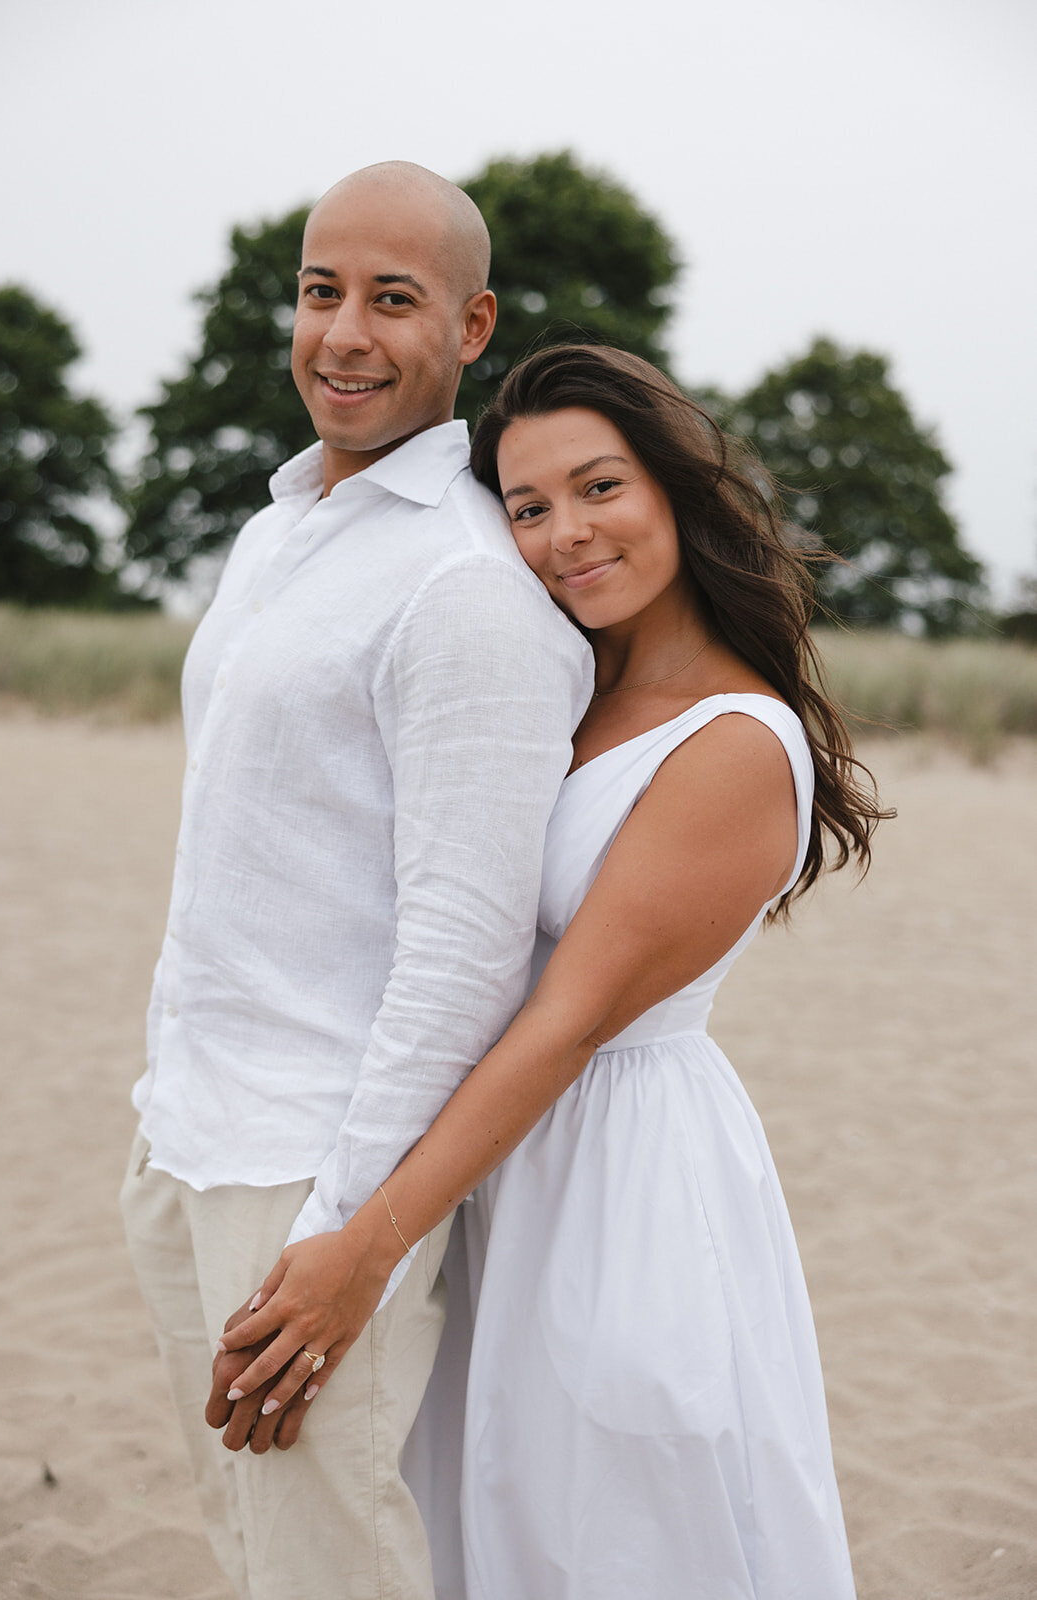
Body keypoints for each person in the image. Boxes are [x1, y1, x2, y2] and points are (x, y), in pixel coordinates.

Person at [214, 344, 889, 1599]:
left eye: (598, 488)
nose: (563, 535)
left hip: (619, 1178)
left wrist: (364, 1247)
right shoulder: (570, 689)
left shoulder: (735, 743)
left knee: (617, 1530)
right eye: (526, 507)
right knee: (490, 1526)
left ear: (674, 492)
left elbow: (565, 1022)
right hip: (495, 1162)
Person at [119, 168, 591, 1600]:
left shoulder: (461, 586)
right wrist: (158, 1108)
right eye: (323, 290)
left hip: (309, 1171)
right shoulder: (276, 531)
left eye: (394, 299)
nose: (343, 332)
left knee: (332, 1567)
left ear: (470, 324)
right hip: (186, 1126)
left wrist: (344, 1232)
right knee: (251, 1543)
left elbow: (462, 951)